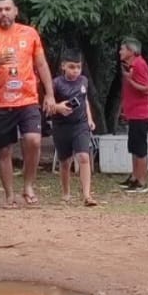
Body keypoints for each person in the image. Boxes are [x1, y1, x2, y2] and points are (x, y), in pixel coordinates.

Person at [0, 0, 57, 208]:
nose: (4, 13)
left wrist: (49, 93)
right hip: (0, 102)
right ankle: (9, 195)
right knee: (4, 150)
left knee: (33, 140)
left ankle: (29, 185)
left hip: (27, 98)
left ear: (15, 11)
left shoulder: (29, 33)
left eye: (7, 9)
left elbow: (41, 64)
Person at [49, 49, 98, 206]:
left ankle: (87, 195)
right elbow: (47, 106)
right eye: (72, 67)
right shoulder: (55, 83)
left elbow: (85, 101)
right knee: (65, 162)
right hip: (61, 126)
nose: (75, 70)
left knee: (84, 157)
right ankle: (66, 193)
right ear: (63, 66)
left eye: (78, 67)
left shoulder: (84, 81)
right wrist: (58, 107)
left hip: (80, 125)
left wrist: (89, 119)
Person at [118, 37, 148, 194]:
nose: (120, 52)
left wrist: (129, 80)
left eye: (122, 49)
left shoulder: (139, 65)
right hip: (133, 112)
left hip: (141, 114)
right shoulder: (132, 65)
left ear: (131, 51)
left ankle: (142, 182)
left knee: (140, 148)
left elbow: (146, 88)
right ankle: (134, 178)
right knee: (134, 147)